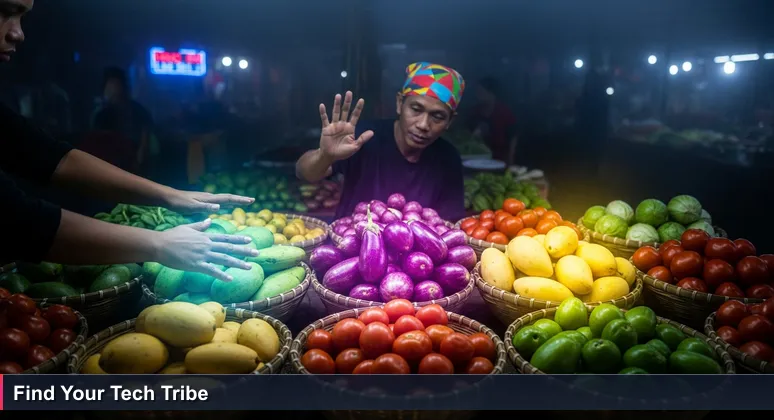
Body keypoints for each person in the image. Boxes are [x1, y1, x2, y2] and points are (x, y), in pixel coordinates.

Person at [0, 0, 255, 282]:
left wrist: (170, 195)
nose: (18, 33)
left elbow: (51, 157)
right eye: (5, 12)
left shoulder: (136, 111)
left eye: (22, 17)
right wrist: (158, 244)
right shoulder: (102, 112)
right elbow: (17, 220)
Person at [296, 62, 466, 222]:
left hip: (415, 253)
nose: (423, 125)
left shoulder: (448, 158)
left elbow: (448, 223)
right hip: (350, 245)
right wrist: (324, 155)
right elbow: (304, 173)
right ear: (400, 104)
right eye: (416, 109)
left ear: (450, 121)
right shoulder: (364, 137)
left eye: (437, 117)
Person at [91, 67, 154, 169]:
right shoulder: (102, 115)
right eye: (109, 85)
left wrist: (138, 164)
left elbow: (145, 143)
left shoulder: (140, 112)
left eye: (115, 84)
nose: (112, 89)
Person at [468, 77, 518, 164]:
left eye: (481, 92)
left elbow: (513, 137)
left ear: (491, 93)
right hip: (477, 160)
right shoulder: (475, 112)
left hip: (500, 160)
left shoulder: (504, 112)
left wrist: (510, 160)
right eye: (477, 92)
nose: (478, 95)